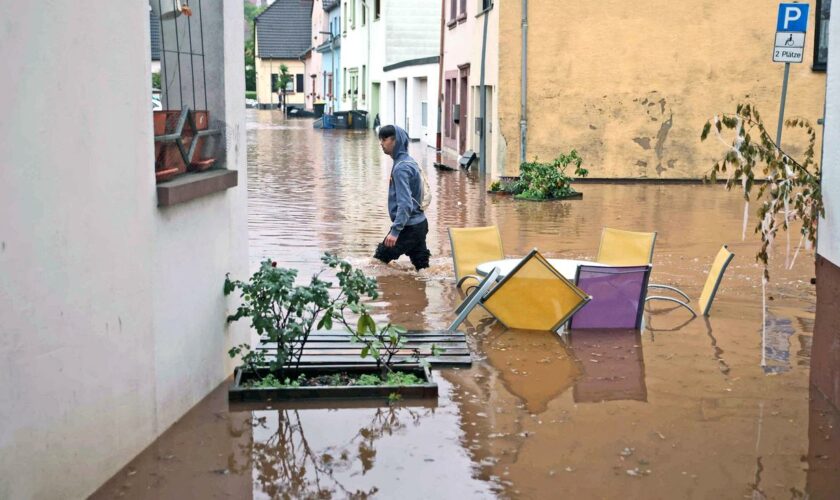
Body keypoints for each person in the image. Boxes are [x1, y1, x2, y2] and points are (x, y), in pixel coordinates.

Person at [374, 125, 431, 270]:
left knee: (378, 262)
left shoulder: (401, 168)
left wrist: (395, 232)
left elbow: (405, 204)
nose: (381, 143)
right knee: (422, 269)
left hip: (409, 227)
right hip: (420, 224)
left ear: (395, 140)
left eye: (384, 139)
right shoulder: (409, 161)